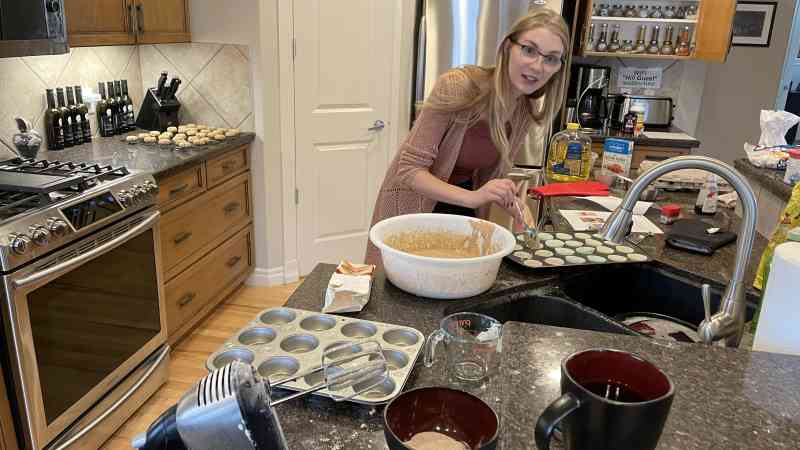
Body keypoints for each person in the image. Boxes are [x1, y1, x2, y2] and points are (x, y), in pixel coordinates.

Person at [366, 8, 569, 265]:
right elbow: (409, 170)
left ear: (559, 67)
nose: (538, 66)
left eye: (551, 59)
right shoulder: (458, 86)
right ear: (508, 47)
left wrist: (520, 210)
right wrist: (475, 197)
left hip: (462, 202)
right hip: (413, 203)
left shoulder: (523, 110)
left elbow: (492, 181)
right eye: (529, 50)